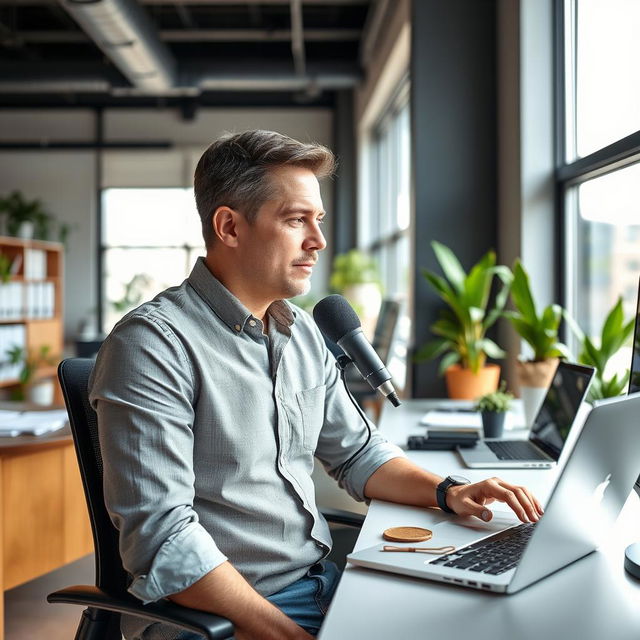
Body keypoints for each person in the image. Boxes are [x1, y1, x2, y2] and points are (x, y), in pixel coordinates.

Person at [89, 130, 544, 640]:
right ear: (229, 227)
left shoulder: (300, 330)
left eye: (318, 220)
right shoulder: (152, 346)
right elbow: (164, 541)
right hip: (229, 618)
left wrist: (448, 491)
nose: (318, 241)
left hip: (324, 585)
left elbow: (356, 453)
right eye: (295, 219)